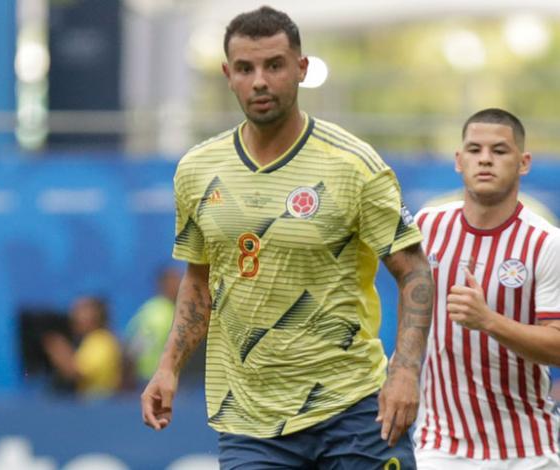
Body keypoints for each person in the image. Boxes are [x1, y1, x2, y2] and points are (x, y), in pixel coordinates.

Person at [140, 6, 433, 469]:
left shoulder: (353, 164)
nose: (260, 80)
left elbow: (413, 268)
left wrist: (405, 371)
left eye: (274, 65)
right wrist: (168, 367)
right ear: (228, 75)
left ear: (301, 69)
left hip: (353, 408)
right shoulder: (197, 171)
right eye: (245, 68)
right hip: (250, 419)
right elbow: (198, 280)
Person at [413, 108, 560, 469]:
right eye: (475, 150)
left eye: (499, 150)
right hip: (440, 446)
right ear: (458, 160)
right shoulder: (426, 226)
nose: (485, 160)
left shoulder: (546, 243)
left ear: (523, 163)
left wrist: (488, 320)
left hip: (527, 450)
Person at [42, 296, 122, 398]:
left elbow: (76, 372)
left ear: (95, 315)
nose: (73, 316)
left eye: (80, 311)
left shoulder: (101, 340)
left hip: (100, 405)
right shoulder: (90, 340)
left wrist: (55, 346)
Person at [125, 266, 182, 382]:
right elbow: (135, 351)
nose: (181, 284)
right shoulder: (157, 314)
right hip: (150, 379)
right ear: (164, 284)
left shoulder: (172, 310)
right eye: (176, 281)